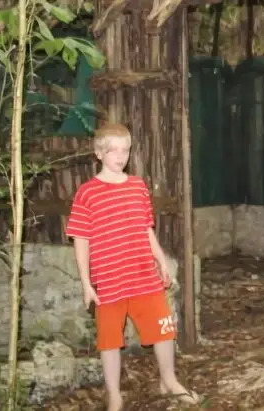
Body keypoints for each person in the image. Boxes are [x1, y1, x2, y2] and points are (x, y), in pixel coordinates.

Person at [65, 123, 198, 410]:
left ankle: (169, 381)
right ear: (98, 153)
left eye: (125, 150)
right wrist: (86, 283)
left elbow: (145, 228)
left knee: (163, 328)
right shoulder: (87, 193)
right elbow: (80, 239)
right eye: (113, 150)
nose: (120, 156)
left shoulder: (138, 186)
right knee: (109, 340)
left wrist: (160, 260)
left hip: (143, 274)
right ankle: (114, 394)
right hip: (109, 279)